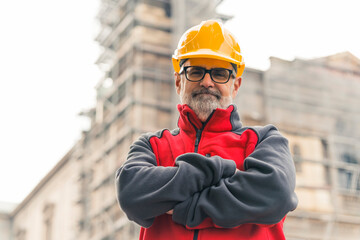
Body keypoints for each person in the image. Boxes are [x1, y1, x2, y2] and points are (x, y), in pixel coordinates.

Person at [116, 20, 298, 240]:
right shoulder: (152, 145)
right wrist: (219, 168)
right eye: (195, 71)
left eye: (220, 74)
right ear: (178, 82)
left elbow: (276, 195)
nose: (207, 82)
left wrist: (184, 208)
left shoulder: (265, 140)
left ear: (236, 85)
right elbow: (131, 194)